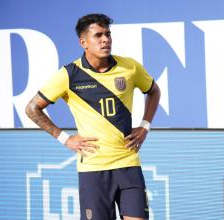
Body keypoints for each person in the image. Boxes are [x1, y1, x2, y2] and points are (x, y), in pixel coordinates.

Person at [25, 13, 160, 220]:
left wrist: (145, 126)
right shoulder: (69, 75)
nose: (105, 39)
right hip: (93, 169)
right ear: (83, 42)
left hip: (128, 163)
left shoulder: (130, 67)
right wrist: (65, 138)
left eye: (108, 34)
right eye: (98, 35)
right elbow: (32, 108)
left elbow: (153, 91)